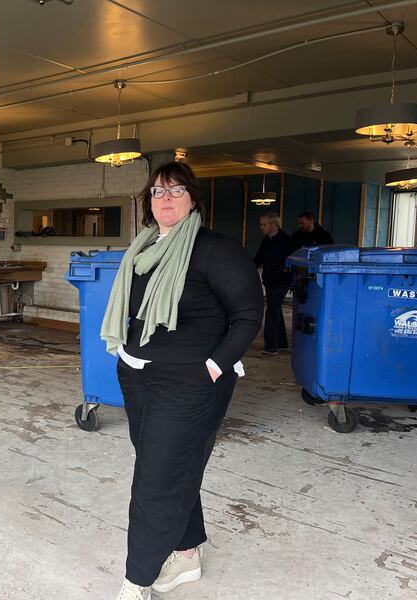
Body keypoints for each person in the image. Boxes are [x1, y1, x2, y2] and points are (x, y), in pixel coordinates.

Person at [100, 162, 263, 599]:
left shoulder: (214, 250)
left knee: (154, 480)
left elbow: (249, 315)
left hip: (190, 382)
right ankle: (187, 553)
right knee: (171, 469)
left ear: (193, 199)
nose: (165, 200)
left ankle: (137, 580)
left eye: (174, 191)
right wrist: (124, 354)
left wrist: (214, 365)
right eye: (156, 192)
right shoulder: (143, 248)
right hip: (137, 376)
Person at [254, 212, 296, 356]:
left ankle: (271, 347)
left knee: (271, 310)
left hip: (282, 281)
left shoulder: (286, 241)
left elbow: (292, 263)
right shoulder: (266, 240)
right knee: (276, 310)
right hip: (269, 280)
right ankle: (282, 343)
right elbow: (259, 257)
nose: (261, 227)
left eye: (264, 224)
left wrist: (290, 280)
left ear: (274, 224)